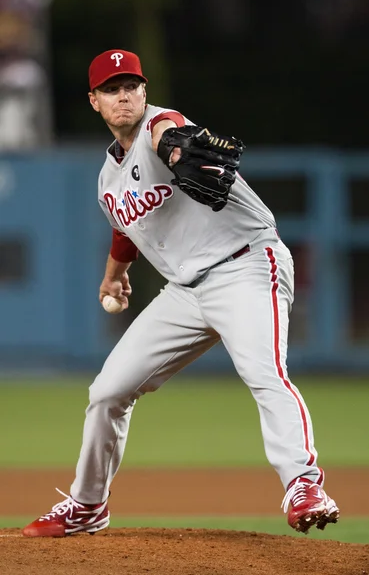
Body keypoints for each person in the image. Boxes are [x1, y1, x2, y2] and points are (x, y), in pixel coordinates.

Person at [23, 49, 339, 538]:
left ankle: (304, 483)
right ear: (94, 101)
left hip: (246, 265)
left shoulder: (163, 129)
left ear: (144, 92)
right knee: (107, 392)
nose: (123, 95)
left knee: (263, 371)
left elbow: (168, 130)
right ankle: (88, 505)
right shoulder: (107, 178)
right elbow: (125, 230)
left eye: (131, 86)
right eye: (111, 89)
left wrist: (173, 144)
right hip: (186, 292)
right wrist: (113, 275)